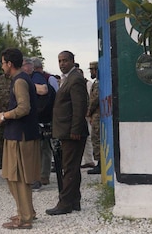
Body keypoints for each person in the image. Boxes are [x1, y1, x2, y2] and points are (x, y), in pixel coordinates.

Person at [0, 48, 39, 230]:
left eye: (3, 63)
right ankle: (27, 212)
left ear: (9, 63)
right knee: (17, 176)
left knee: (16, 177)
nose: (2, 66)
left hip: (19, 136)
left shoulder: (19, 81)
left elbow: (23, 108)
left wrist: (3, 116)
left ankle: (24, 218)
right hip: (20, 134)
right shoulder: (23, 79)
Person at [46, 50, 90, 216]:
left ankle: (64, 203)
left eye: (65, 60)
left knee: (69, 168)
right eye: (59, 61)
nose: (62, 63)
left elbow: (80, 107)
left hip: (72, 132)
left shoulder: (75, 79)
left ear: (72, 61)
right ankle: (74, 201)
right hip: (66, 131)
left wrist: (75, 130)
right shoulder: (66, 80)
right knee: (72, 168)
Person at [30, 57, 57, 190]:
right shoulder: (46, 78)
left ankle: (43, 175)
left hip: (44, 117)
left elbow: (49, 93)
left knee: (44, 147)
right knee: (42, 147)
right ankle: (41, 175)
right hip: (43, 117)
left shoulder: (45, 79)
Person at [86, 60, 102, 175]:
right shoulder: (97, 82)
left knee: (96, 138)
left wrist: (89, 112)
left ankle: (100, 163)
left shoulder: (98, 83)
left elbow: (94, 99)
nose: (91, 72)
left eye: (92, 69)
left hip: (97, 114)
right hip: (96, 114)